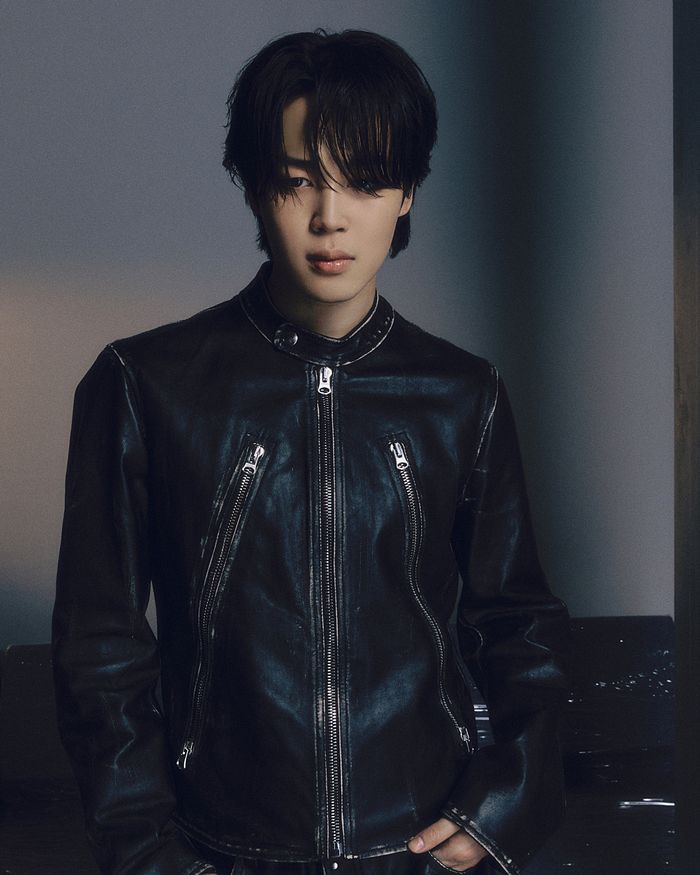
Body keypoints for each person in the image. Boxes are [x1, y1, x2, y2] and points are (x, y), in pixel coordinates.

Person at [52, 29, 570, 875]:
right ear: (255, 185)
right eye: (298, 181)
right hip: (219, 851)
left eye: (364, 181)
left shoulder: (461, 394)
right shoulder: (145, 384)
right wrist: (147, 856)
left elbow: (519, 623)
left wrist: (501, 805)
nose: (331, 217)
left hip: (414, 850)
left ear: (407, 192)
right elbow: (99, 648)